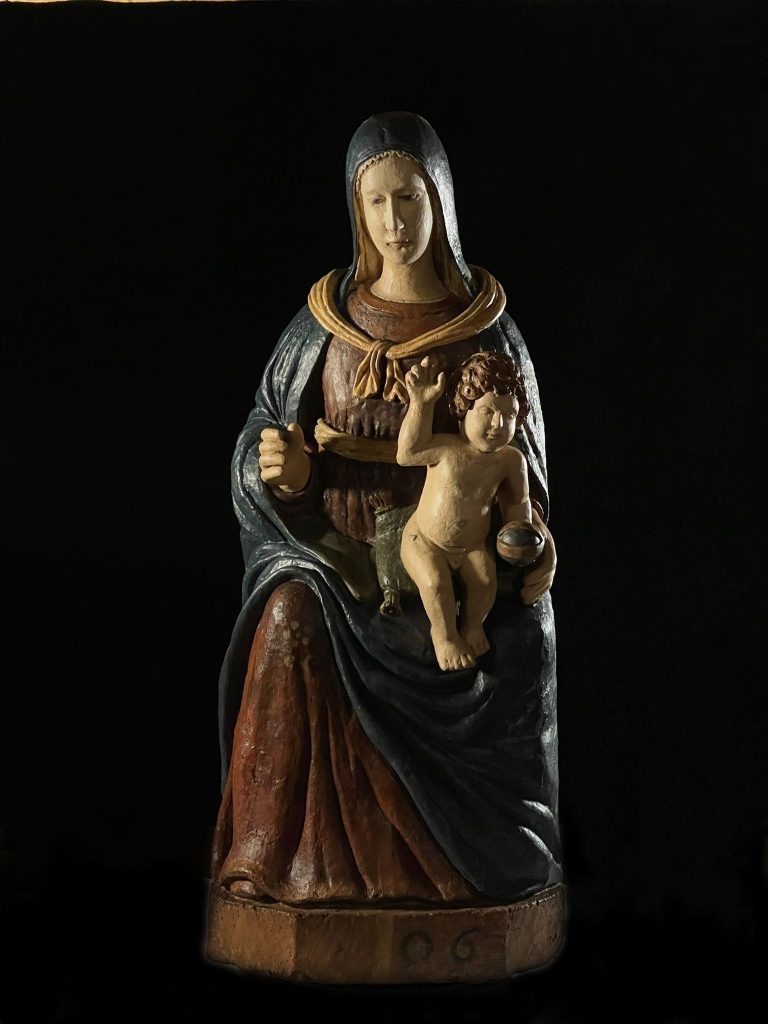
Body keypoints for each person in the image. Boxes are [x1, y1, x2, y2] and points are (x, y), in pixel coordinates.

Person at [211, 112, 560, 907]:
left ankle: (484, 869)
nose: (395, 222)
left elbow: (527, 480)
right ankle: (287, 866)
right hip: (341, 562)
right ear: (355, 210)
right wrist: (286, 472)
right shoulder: (321, 326)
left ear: (441, 203)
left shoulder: (490, 332)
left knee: (525, 628)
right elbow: (262, 436)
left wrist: (531, 542)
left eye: (411, 198)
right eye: (377, 202)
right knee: (289, 616)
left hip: (454, 552)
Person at [398, 351, 533, 672]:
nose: (498, 424)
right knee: (435, 583)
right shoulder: (446, 448)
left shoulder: (510, 460)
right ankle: (444, 637)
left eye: (509, 415)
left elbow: (517, 501)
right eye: (488, 411)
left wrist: (520, 528)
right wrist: (421, 404)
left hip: (472, 545)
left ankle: (472, 627)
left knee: (485, 582)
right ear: (463, 407)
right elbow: (407, 453)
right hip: (425, 541)